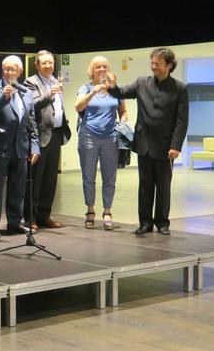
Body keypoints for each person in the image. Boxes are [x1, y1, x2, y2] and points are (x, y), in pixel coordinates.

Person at [107, 47, 189, 235]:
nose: (153, 67)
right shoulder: (142, 82)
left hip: (166, 146)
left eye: (158, 64)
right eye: (152, 63)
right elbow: (121, 92)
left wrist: (176, 146)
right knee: (145, 186)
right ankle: (145, 223)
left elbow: (182, 120)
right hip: (144, 143)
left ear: (169, 65)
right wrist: (112, 85)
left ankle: (162, 222)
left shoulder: (180, 88)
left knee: (163, 186)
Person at [0, 55, 40, 237]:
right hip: (0, 148)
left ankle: (15, 222)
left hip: (21, 147)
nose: (9, 72)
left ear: (20, 71)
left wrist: (35, 146)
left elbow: (31, 122)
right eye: (6, 69)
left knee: (18, 188)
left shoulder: (26, 92)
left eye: (12, 69)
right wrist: (4, 97)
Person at [74, 56, 128, 230]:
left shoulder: (115, 90)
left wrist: (123, 124)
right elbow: (78, 107)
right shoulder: (85, 88)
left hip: (110, 138)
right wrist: (93, 93)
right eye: (98, 67)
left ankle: (107, 212)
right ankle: (90, 211)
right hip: (88, 137)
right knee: (88, 177)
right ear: (92, 70)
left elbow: (123, 111)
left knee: (109, 177)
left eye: (105, 66)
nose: (102, 69)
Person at [23, 50, 72, 229]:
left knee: (50, 180)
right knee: (36, 179)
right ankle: (30, 218)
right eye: (44, 63)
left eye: (50, 63)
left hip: (56, 134)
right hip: (40, 136)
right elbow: (33, 104)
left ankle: (45, 215)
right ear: (37, 65)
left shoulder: (54, 81)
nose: (48, 66)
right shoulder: (31, 82)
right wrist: (50, 94)